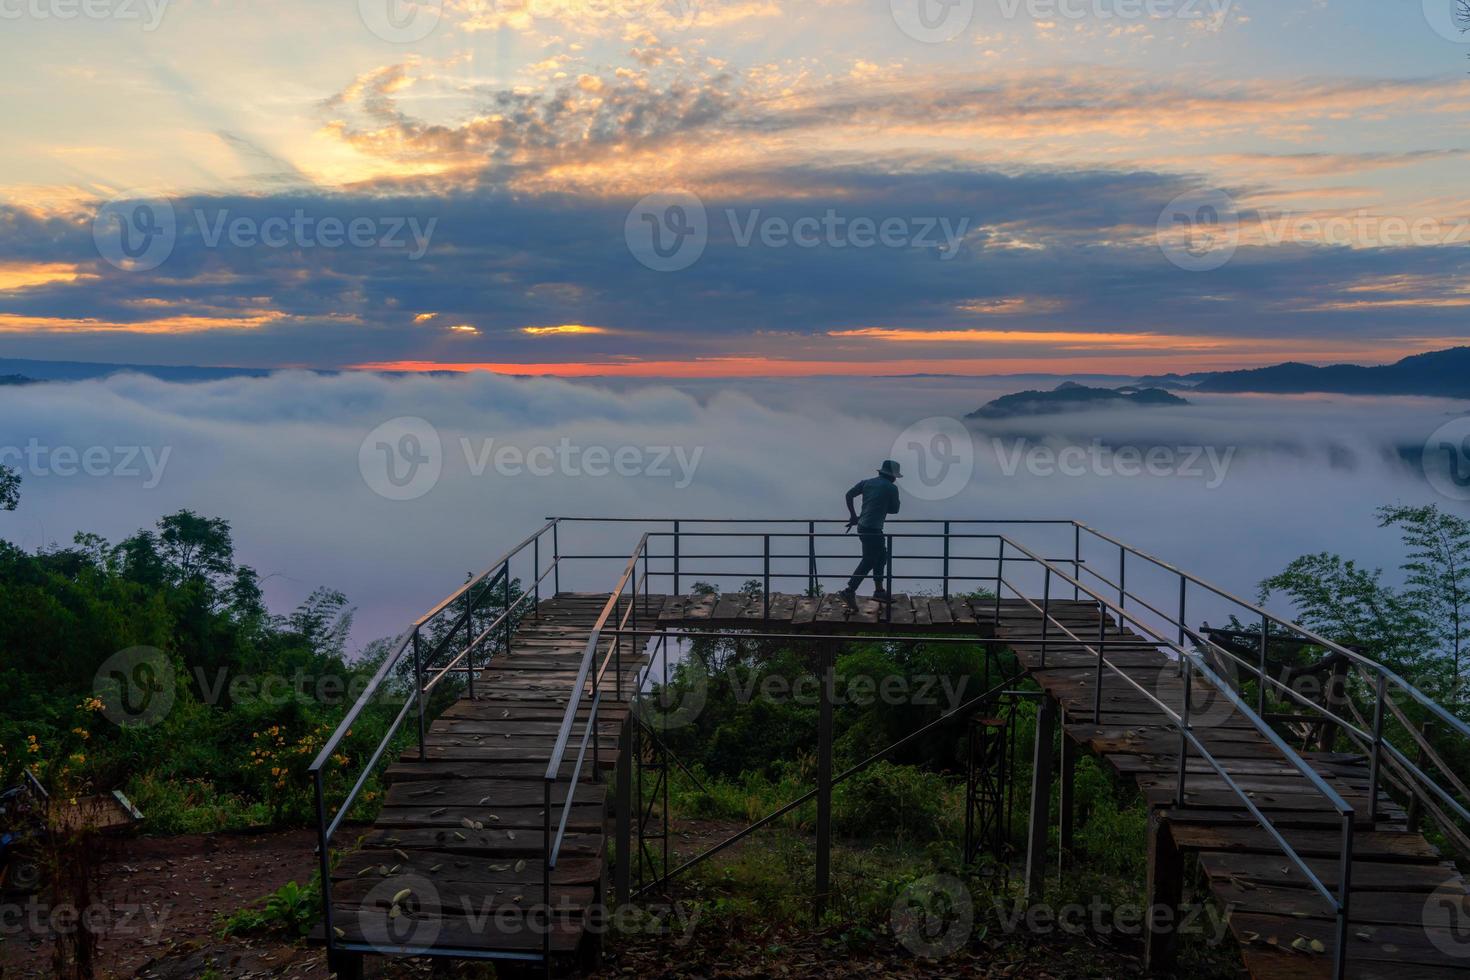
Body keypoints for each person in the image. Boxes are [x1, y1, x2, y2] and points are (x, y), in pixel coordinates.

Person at [840, 460, 901, 605]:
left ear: (880, 472)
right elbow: (894, 510)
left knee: (880, 556)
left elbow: (849, 495)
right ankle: (849, 590)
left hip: (862, 526)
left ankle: (879, 591)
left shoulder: (867, 483)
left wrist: (854, 516)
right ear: (893, 476)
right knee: (869, 560)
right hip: (873, 528)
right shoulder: (892, 488)